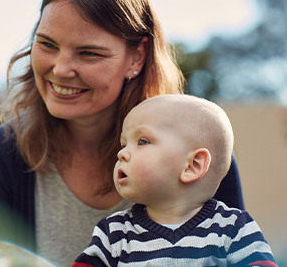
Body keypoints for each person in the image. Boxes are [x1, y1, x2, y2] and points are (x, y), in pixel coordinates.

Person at [0, 0, 244, 266]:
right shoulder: (2, 153)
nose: (61, 69)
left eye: (88, 53)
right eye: (47, 44)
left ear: (137, 56)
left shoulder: (199, 152)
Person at [72, 94, 277, 267]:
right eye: (124, 144)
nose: (122, 154)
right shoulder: (114, 234)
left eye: (142, 141)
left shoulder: (233, 228)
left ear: (192, 166)